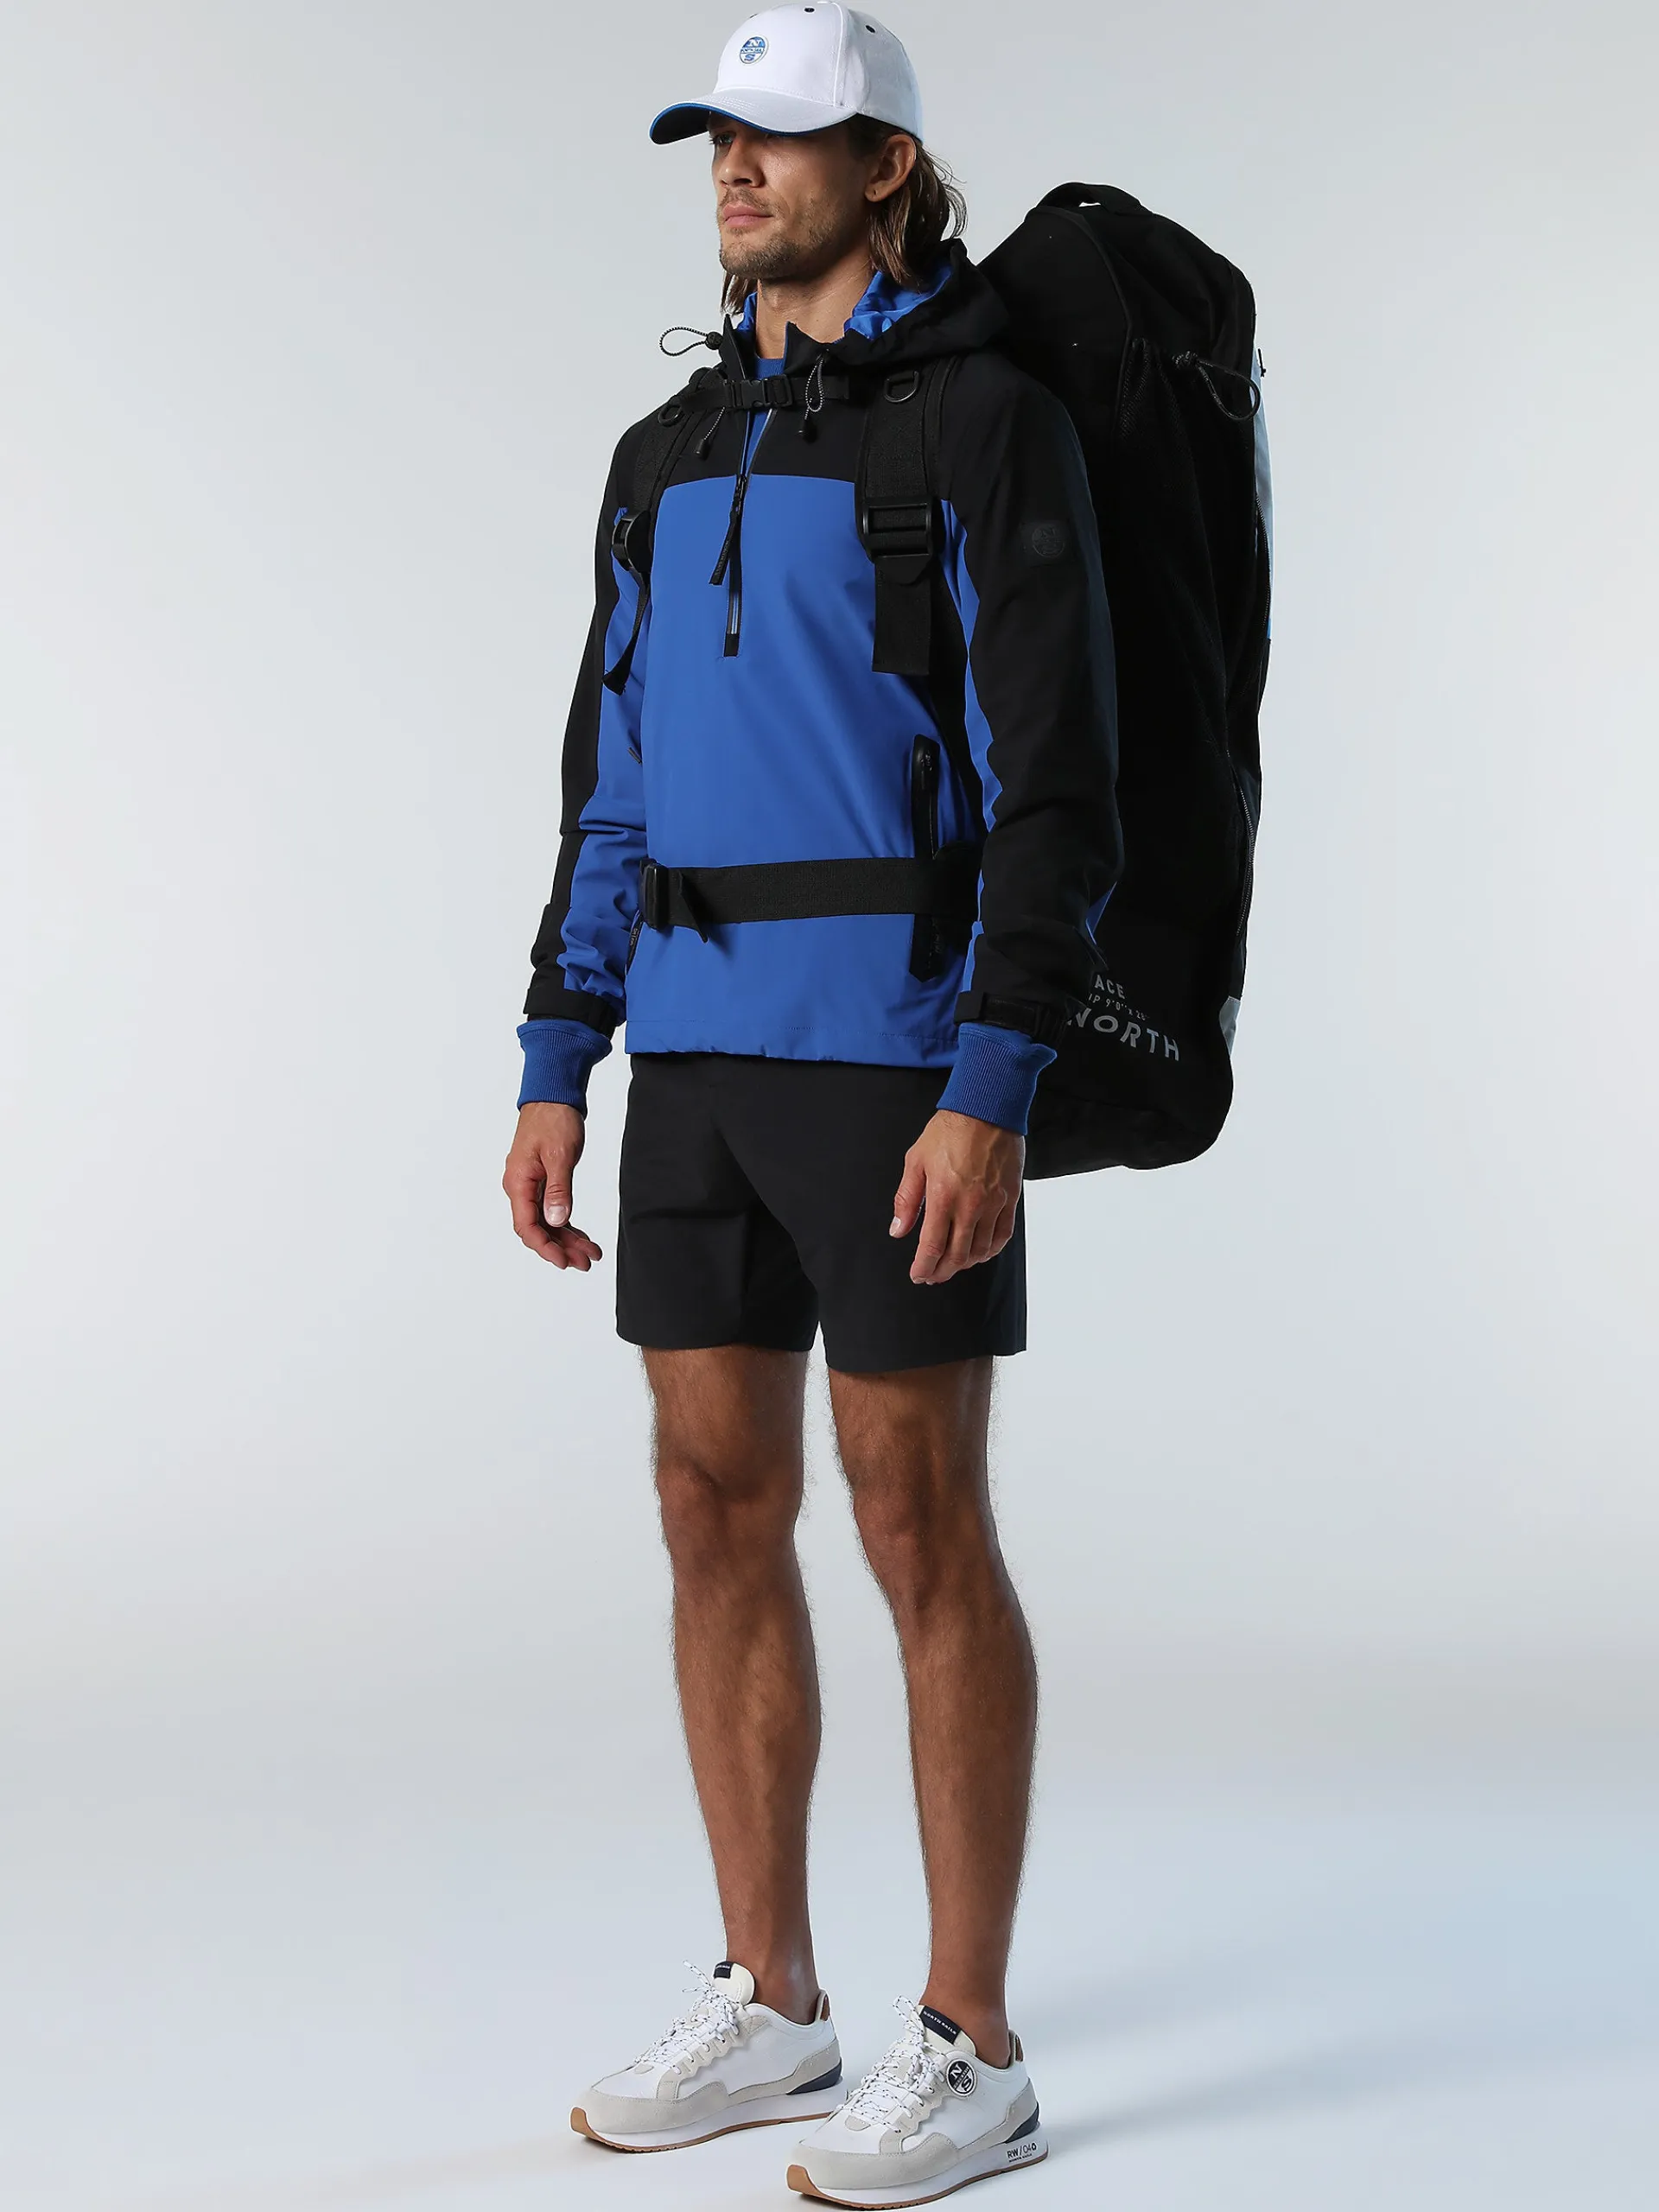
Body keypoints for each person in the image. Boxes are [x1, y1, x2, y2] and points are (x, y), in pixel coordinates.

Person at [503, 8, 1119, 2201]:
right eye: (718, 141)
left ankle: (974, 2041)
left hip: (896, 1063)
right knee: (708, 1500)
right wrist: (560, 1053)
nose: (735, 172)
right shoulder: (664, 451)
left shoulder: (986, 423)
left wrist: (993, 1081)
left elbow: (1060, 790)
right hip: (691, 1058)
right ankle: (774, 1999)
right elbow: (612, 775)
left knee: (917, 1518)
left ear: (886, 166)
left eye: (777, 140)